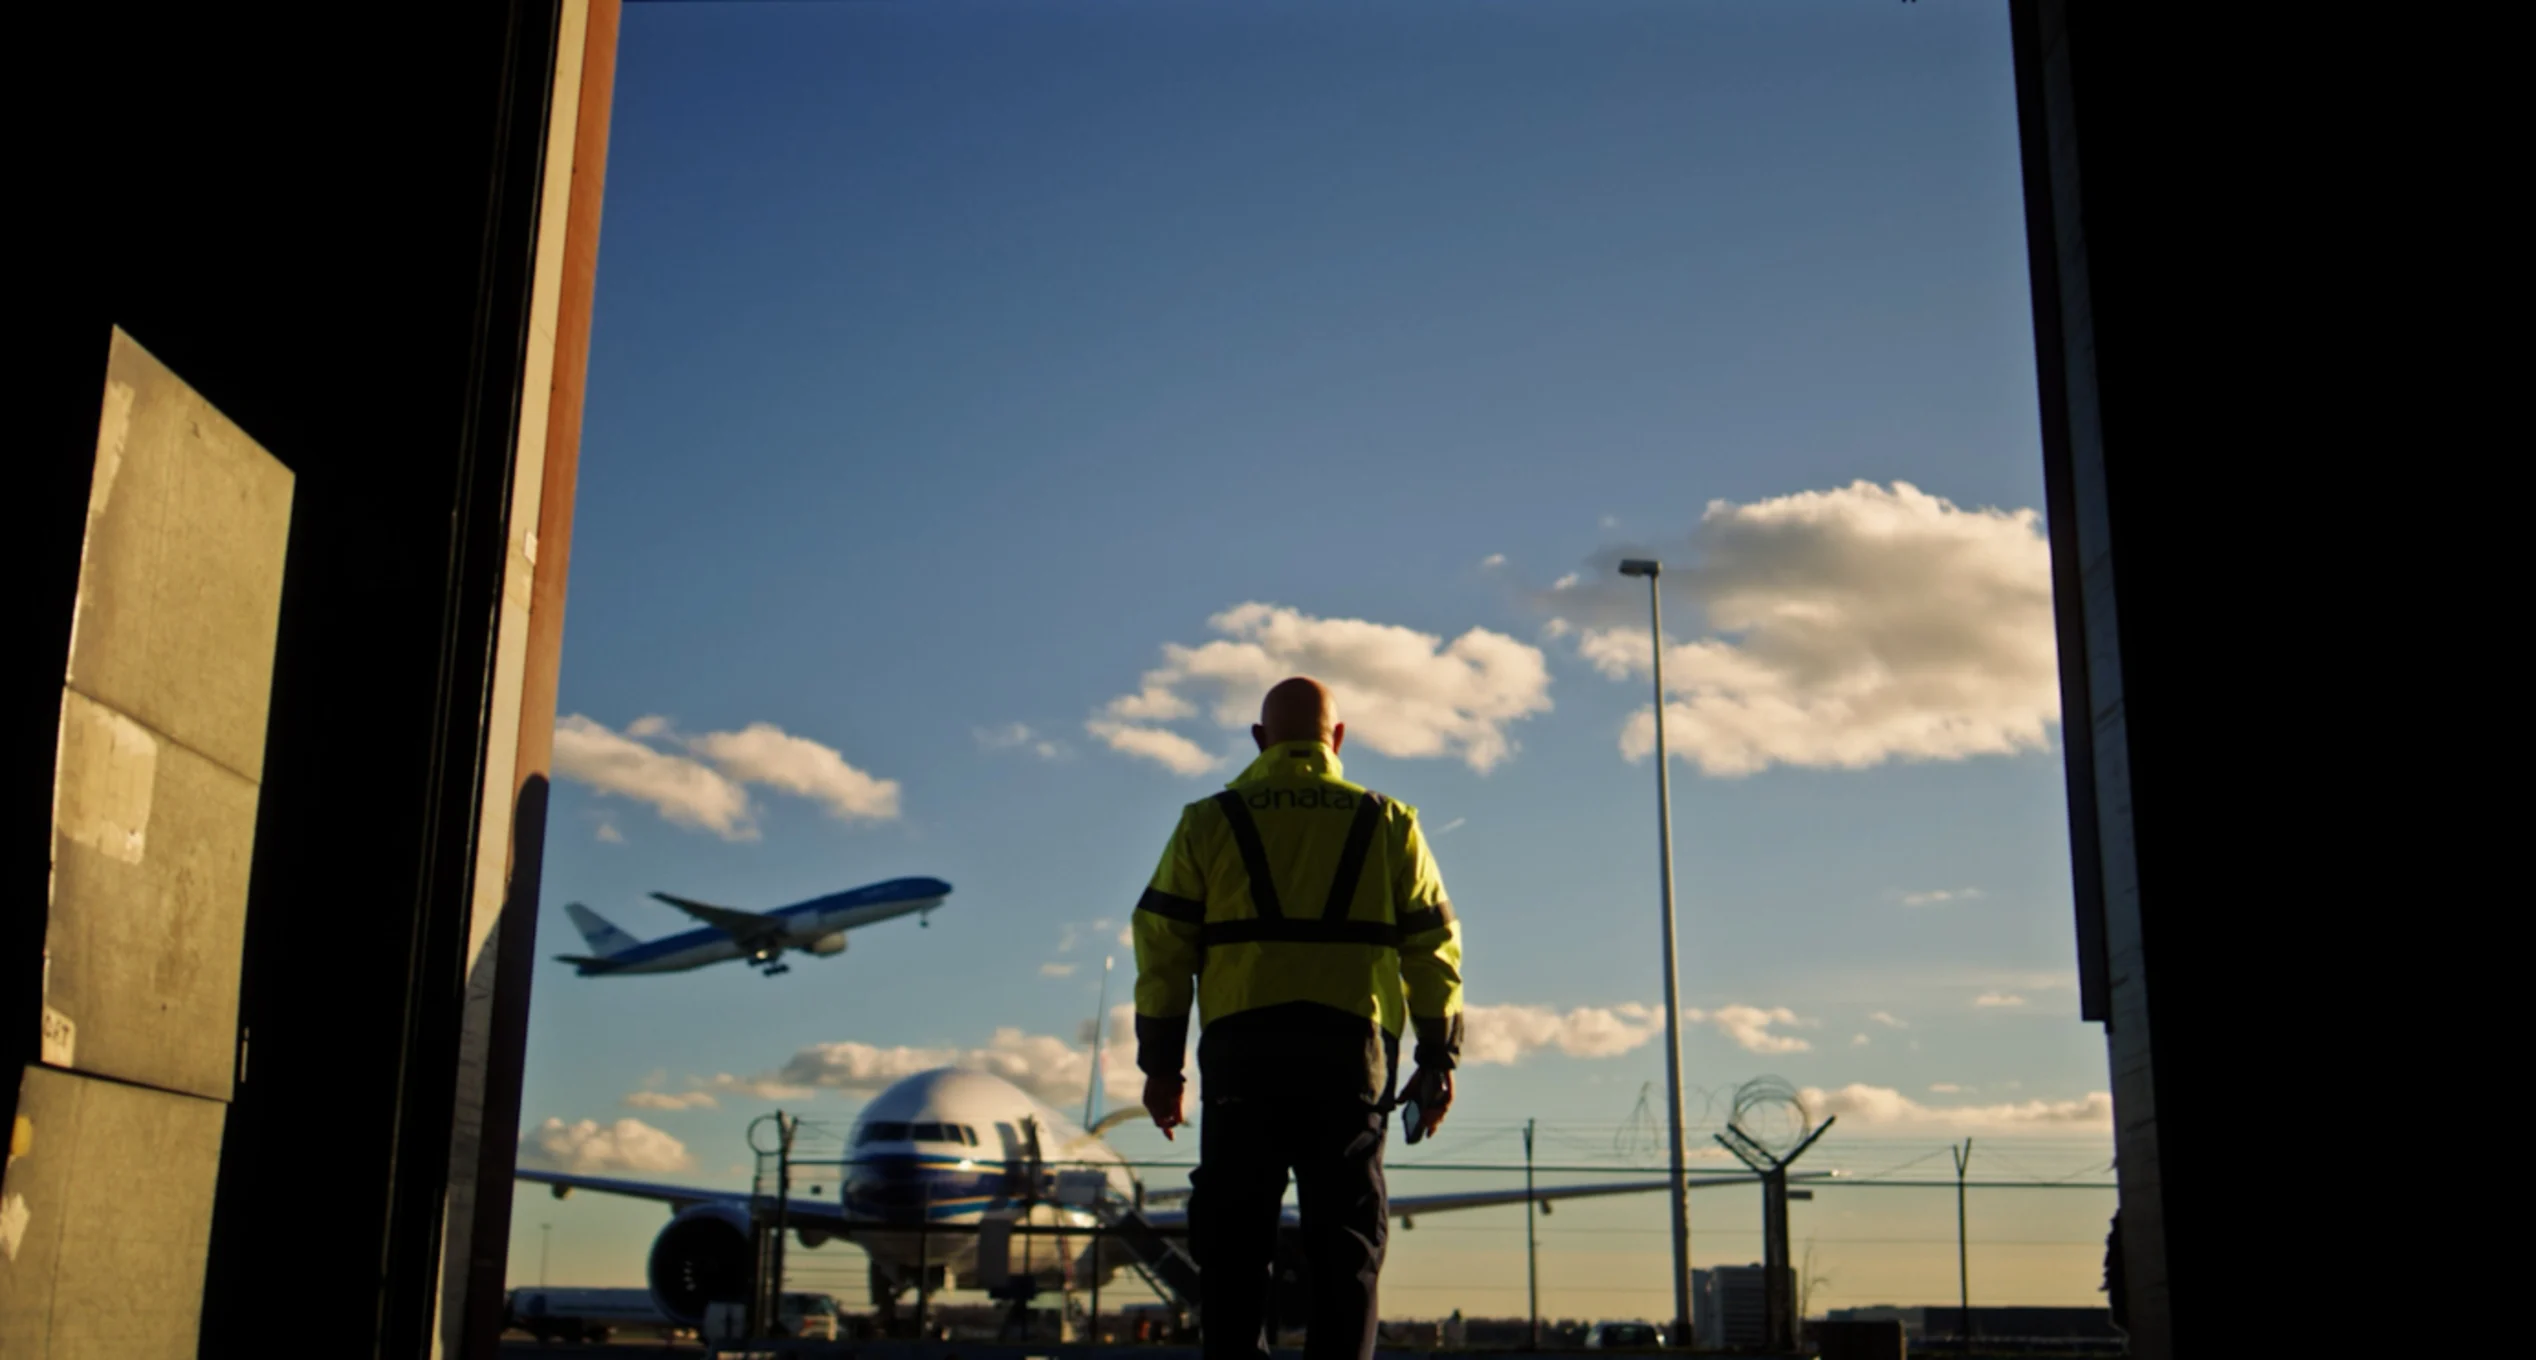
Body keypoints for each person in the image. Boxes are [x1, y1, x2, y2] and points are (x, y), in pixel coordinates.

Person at [1132, 676, 1467, 1360]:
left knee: (1232, 1243)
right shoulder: (1391, 823)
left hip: (1242, 1055)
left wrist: (1162, 1067)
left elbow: (1162, 947)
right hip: (1350, 1055)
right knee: (1347, 1246)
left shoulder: (1207, 821)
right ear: (1337, 738)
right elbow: (1434, 950)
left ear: (1260, 740)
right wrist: (1438, 1059)